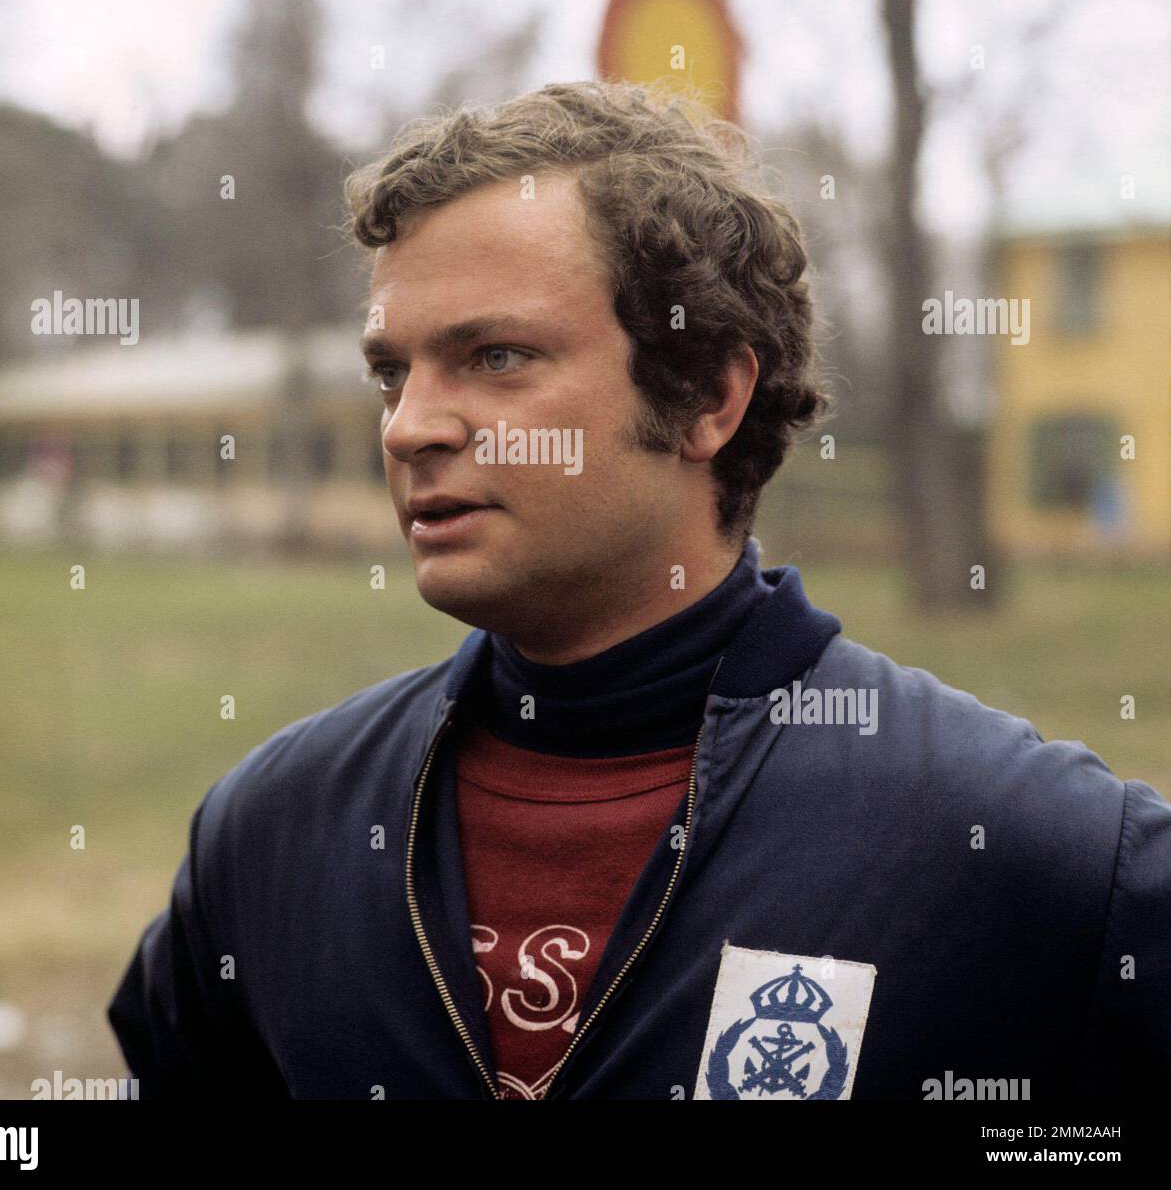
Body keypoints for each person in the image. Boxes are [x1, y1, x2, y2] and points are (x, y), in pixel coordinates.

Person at [107, 80, 1170, 1101]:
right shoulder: (274, 833)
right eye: (393, 371)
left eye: (496, 356)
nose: (409, 425)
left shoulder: (1022, 849)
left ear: (707, 394)